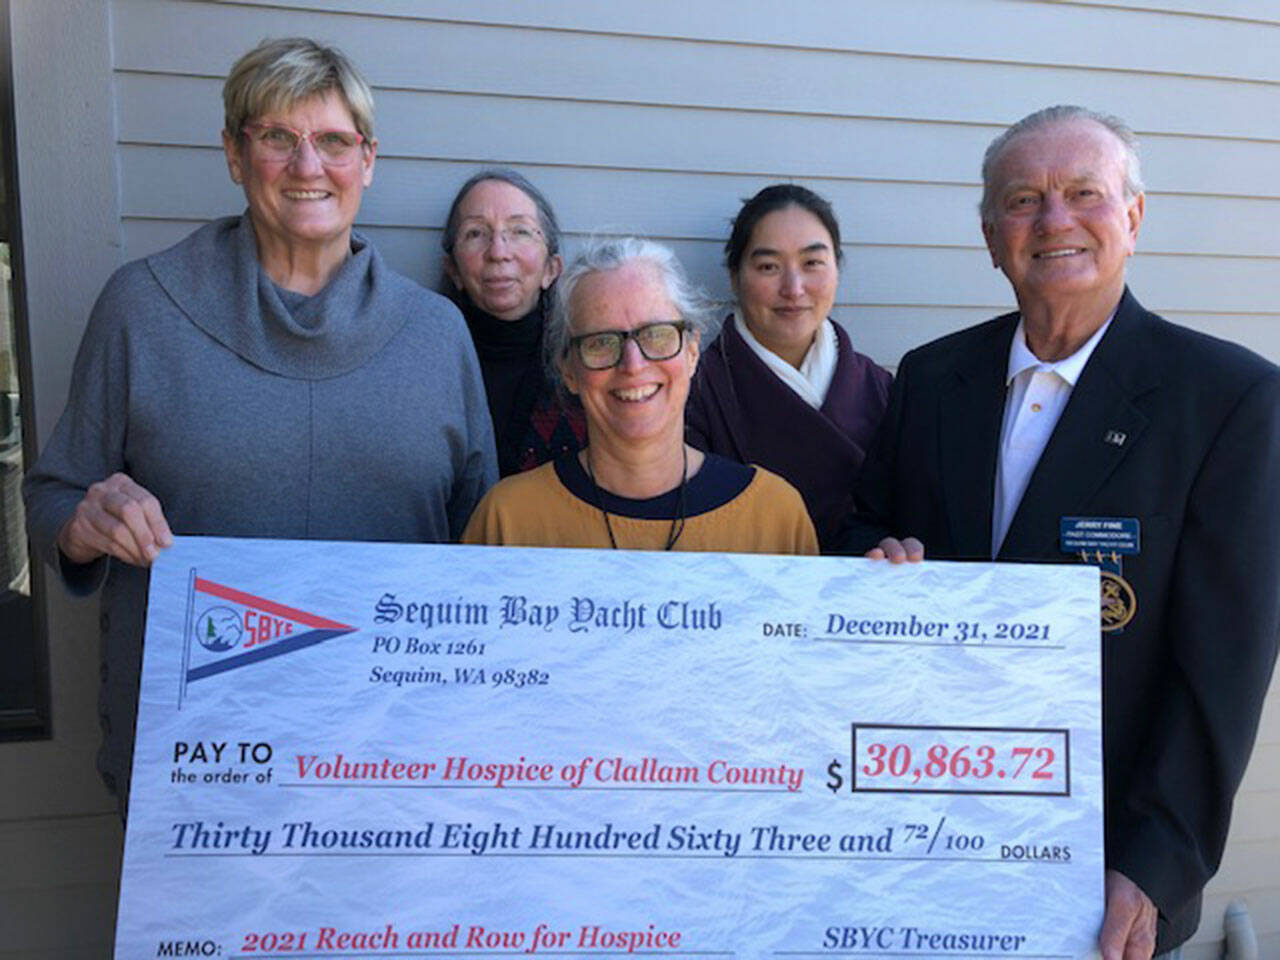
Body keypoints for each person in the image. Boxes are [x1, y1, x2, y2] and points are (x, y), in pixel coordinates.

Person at [842, 105, 1280, 958]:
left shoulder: (1228, 399)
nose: (1054, 221)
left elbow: (1222, 674)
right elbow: (868, 521)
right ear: (989, 234)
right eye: (1023, 200)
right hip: (926, 833)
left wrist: (1152, 867)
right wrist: (875, 555)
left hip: (1105, 864)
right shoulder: (932, 378)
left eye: (1084, 193)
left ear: (1134, 218)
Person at [22, 38, 496, 814]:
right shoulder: (142, 309)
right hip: (197, 763)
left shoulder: (436, 335)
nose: (308, 167)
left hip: (390, 763)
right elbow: (51, 496)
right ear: (235, 155)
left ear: (368, 161)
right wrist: (85, 520)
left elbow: (482, 544)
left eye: (334, 141)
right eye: (278, 138)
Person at [463, 236, 817, 555]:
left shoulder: (774, 517)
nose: (633, 364)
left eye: (657, 334)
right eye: (601, 342)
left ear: (692, 351)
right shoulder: (507, 521)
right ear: (568, 370)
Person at [686, 184, 891, 550]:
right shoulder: (697, 394)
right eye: (769, 267)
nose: (793, 288)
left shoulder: (883, 389)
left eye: (812, 263)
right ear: (735, 277)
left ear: (837, 269)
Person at [442, 169, 586, 476]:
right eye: (475, 233)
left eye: (520, 231)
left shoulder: (586, 367)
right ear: (453, 269)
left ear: (551, 268)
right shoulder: (423, 365)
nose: (498, 252)